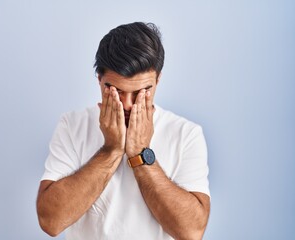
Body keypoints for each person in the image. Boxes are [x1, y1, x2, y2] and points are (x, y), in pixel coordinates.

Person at [36, 22, 210, 240]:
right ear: (99, 80)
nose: (128, 104)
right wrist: (111, 150)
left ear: (158, 80)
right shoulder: (72, 125)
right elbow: (51, 221)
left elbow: (191, 232)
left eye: (142, 92)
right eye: (116, 91)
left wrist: (140, 152)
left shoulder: (186, 134)